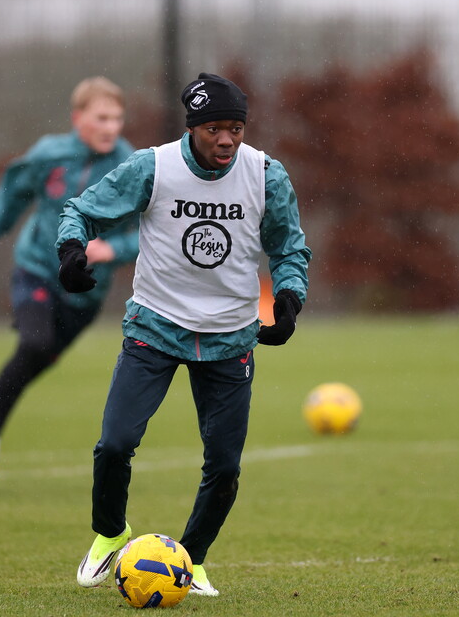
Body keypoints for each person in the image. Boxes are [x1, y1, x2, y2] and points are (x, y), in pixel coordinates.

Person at [56, 73, 311, 596]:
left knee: (224, 467)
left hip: (230, 339)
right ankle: (109, 535)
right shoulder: (154, 167)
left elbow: (289, 248)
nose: (227, 140)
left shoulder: (267, 175)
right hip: (154, 326)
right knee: (114, 445)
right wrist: (72, 252)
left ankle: (188, 561)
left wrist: (288, 299)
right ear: (193, 127)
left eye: (236, 128)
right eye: (215, 128)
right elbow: (81, 211)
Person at [0, 77, 138, 484]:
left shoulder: (132, 166)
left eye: (117, 118)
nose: (111, 127)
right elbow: (13, 195)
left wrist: (113, 250)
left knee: (26, 367)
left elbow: (152, 226)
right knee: (35, 343)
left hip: (84, 295)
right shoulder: (49, 154)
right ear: (78, 119)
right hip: (37, 269)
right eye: (101, 118)